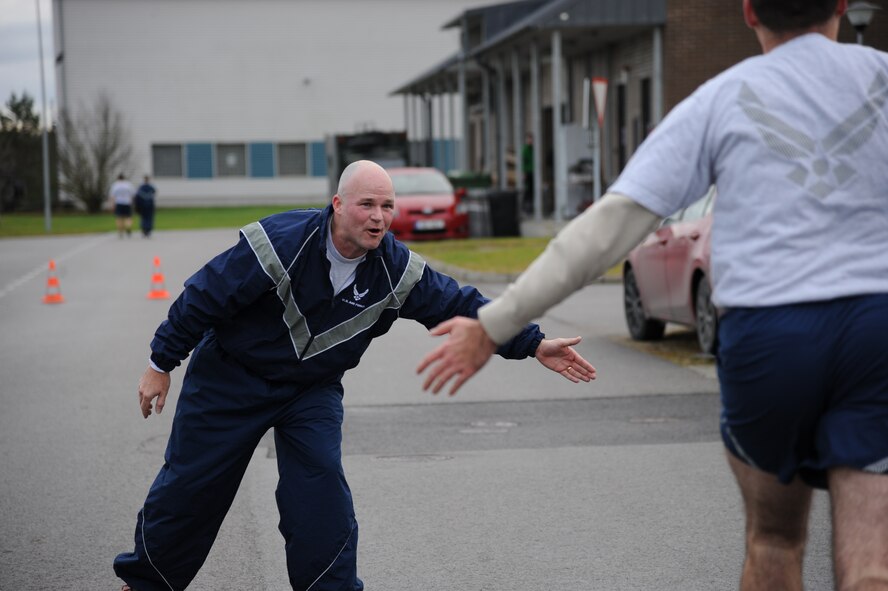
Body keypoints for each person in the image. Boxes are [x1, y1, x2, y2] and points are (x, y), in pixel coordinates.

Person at [417, 1, 888, 589]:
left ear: (747, 12)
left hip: (771, 332)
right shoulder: (881, 75)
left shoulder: (722, 97)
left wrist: (494, 325)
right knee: (873, 568)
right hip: (876, 329)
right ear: (842, 4)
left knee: (775, 541)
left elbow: (608, 228)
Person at [113, 160, 596, 591]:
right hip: (230, 378)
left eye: (387, 206)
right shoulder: (280, 244)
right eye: (367, 204)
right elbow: (203, 295)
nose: (378, 217)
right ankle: (145, 584)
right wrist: (161, 364)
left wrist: (531, 343)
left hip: (310, 391)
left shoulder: (394, 268)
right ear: (338, 204)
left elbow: (459, 303)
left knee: (320, 494)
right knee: (191, 489)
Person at [109, 173, 136, 238]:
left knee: (119, 217)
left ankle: (120, 230)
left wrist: (112, 204)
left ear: (118, 178)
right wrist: (132, 203)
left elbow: (112, 196)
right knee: (128, 217)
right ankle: (128, 227)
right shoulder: (128, 184)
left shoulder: (115, 185)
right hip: (127, 203)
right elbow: (133, 194)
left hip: (119, 203)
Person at [521, 133, 534, 214]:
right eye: (528, 139)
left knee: (532, 190)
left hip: (533, 172)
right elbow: (523, 162)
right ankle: (525, 207)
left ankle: (531, 208)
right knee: (527, 191)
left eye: (531, 139)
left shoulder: (533, 149)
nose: (530, 141)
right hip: (527, 172)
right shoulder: (525, 150)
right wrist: (524, 173)